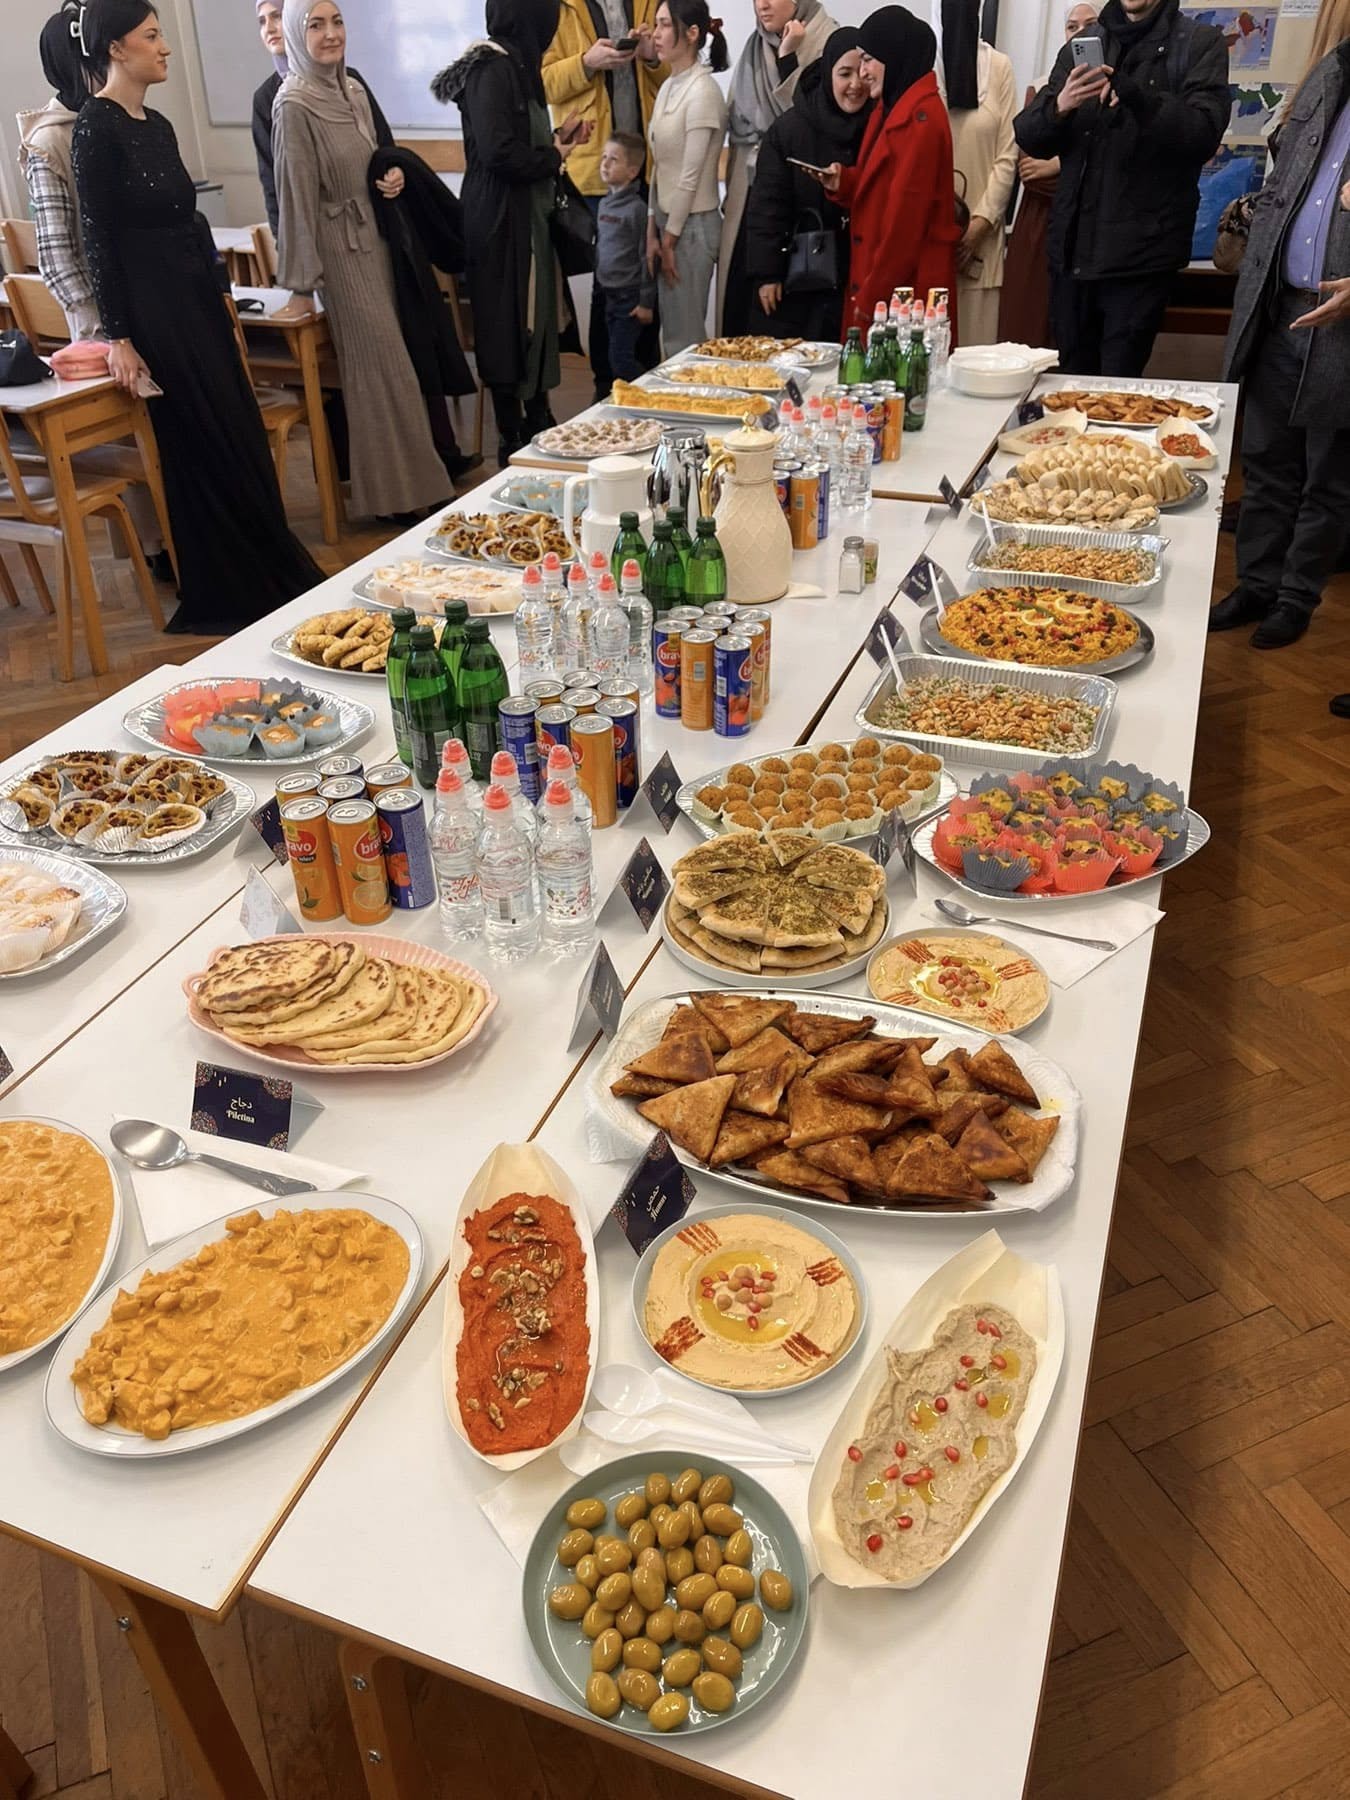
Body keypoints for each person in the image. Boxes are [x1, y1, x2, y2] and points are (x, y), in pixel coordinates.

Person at [71, 0, 322, 634]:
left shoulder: (156, 123)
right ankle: (229, 585)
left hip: (196, 301)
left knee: (238, 429)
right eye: (152, 36)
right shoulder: (95, 128)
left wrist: (220, 296)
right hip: (154, 311)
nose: (165, 48)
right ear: (116, 48)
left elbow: (190, 221)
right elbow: (97, 240)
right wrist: (119, 337)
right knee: (202, 438)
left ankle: (267, 571)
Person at [273, 0, 459, 522]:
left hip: (378, 241)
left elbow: (370, 158)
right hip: (340, 253)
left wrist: (391, 176)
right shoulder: (293, 105)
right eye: (315, 25)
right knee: (380, 369)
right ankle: (394, 496)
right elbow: (295, 195)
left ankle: (416, 485)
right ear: (296, 34)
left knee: (399, 363)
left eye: (336, 22)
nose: (331, 34)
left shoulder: (352, 88)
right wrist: (302, 284)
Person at [1211, 27, 1350, 650]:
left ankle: (1296, 599)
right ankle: (1257, 584)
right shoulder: (1330, 72)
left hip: (1342, 325)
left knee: (1329, 478)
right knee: (1265, 462)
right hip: (1279, 306)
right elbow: (1283, 184)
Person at [1013, 0, 1228, 378]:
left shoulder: (1198, 42)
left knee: (1117, 391)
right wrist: (1060, 105)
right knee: (1070, 387)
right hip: (1072, 256)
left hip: (1140, 262)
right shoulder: (1083, 44)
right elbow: (1030, 136)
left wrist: (1140, 100)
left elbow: (1202, 135)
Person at [434, 0, 588, 464]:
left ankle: (538, 413)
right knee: (507, 324)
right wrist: (554, 157)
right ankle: (511, 431)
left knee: (538, 317)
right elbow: (499, 151)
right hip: (500, 221)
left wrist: (558, 140)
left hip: (528, 217)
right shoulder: (491, 68)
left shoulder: (518, 66)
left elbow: (520, 140)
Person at [542, 0, 665, 396]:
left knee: (649, 269)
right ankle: (606, 384)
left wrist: (651, 57)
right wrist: (586, 63)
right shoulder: (560, 8)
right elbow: (543, 83)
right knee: (606, 283)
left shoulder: (649, 3)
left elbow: (671, 72)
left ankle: (646, 379)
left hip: (647, 165)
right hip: (597, 169)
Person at [813, 6, 959, 339]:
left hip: (904, 287)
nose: (863, 72)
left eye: (868, 60)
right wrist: (845, 181)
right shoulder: (892, 107)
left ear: (893, 56)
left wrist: (873, 295)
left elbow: (906, 223)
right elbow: (880, 185)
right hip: (886, 279)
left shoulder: (920, 119)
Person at [719, 0, 838, 336]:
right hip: (749, 191)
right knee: (740, 311)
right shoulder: (753, 48)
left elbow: (814, 120)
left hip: (802, 195)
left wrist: (789, 57)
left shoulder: (829, 41)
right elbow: (737, 124)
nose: (763, 5)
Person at [742, 28, 869, 342]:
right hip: (796, 279)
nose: (855, 85)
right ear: (828, 74)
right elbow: (767, 206)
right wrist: (767, 274)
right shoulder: (791, 129)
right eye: (845, 74)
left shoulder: (878, 125)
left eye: (862, 73)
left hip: (856, 279)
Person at [999, 1, 1100, 347]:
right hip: (1038, 218)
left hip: (1091, 227)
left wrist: (1058, 164)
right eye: (1072, 26)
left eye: (1091, 24)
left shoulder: (1117, 87)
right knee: (1027, 321)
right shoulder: (1046, 87)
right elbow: (1030, 168)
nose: (1081, 32)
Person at [249, 0, 389, 241]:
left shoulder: (350, 84)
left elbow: (383, 145)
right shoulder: (271, 100)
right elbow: (273, 183)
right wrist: (286, 244)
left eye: (277, 16)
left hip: (369, 224)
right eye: (262, 21)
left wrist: (394, 171)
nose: (269, 28)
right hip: (321, 234)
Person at [645, 0, 729, 356]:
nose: (655, 34)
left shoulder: (703, 91)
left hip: (692, 228)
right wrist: (652, 228)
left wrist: (669, 239)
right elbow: (659, 164)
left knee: (686, 339)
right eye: (656, 24)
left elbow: (690, 176)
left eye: (665, 25)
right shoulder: (669, 85)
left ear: (693, 33)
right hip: (669, 224)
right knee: (672, 337)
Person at [935, 0, 1016, 347]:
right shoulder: (924, 65)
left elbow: (1008, 155)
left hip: (982, 240)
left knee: (977, 353)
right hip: (932, 236)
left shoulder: (999, 67)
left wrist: (978, 226)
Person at [595, 132, 658, 379]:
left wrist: (646, 303)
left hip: (629, 298)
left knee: (621, 359)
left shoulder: (637, 210)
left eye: (614, 159)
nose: (605, 164)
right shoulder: (604, 204)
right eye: (604, 157)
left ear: (632, 172)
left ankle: (650, 393)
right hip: (609, 294)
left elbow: (647, 257)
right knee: (612, 356)